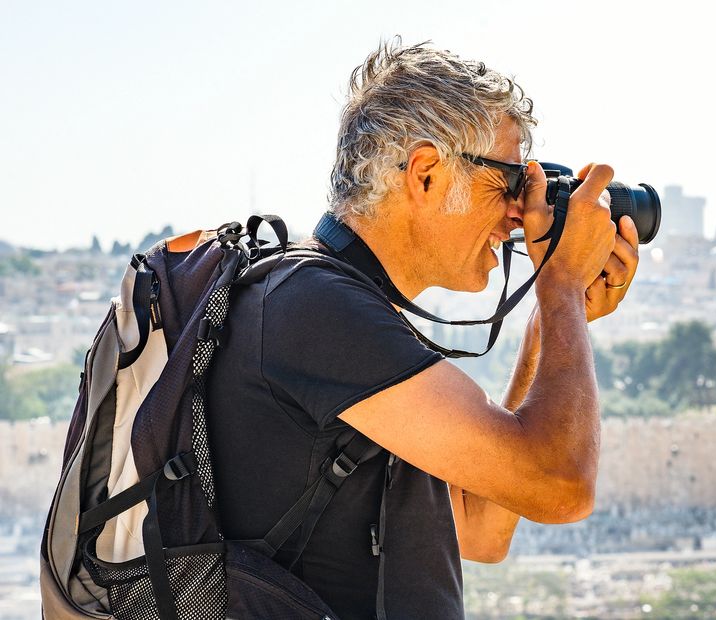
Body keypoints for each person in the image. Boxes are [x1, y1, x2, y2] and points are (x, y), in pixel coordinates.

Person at [205, 39, 638, 619]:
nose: (520, 213)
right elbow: (563, 486)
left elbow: (482, 527)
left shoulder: (328, 307)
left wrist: (551, 321)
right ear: (427, 174)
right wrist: (559, 284)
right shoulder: (315, 312)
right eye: (510, 181)